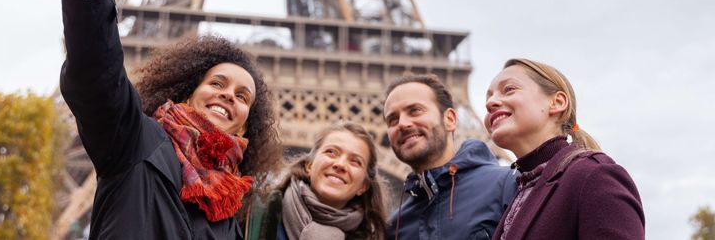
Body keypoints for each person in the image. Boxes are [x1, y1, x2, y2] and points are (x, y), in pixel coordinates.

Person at [59, 0, 281, 239]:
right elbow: (95, 69)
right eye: (218, 83)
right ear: (188, 92)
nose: (228, 95)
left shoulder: (228, 214)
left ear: (244, 125)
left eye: (243, 96)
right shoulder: (133, 141)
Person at [484, 58, 645, 239]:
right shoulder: (522, 189)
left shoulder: (595, 175)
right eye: (488, 97)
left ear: (557, 102)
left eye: (509, 90)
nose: (490, 103)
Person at [383, 73, 517, 240]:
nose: (402, 123)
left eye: (415, 110)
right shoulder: (395, 227)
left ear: (450, 119)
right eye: (392, 119)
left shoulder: (508, 185)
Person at [245, 122, 388, 240]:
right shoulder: (254, 213)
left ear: (363, 186)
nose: (340, 164)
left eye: (355, 161)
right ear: (309, 165)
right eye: (331, 152)